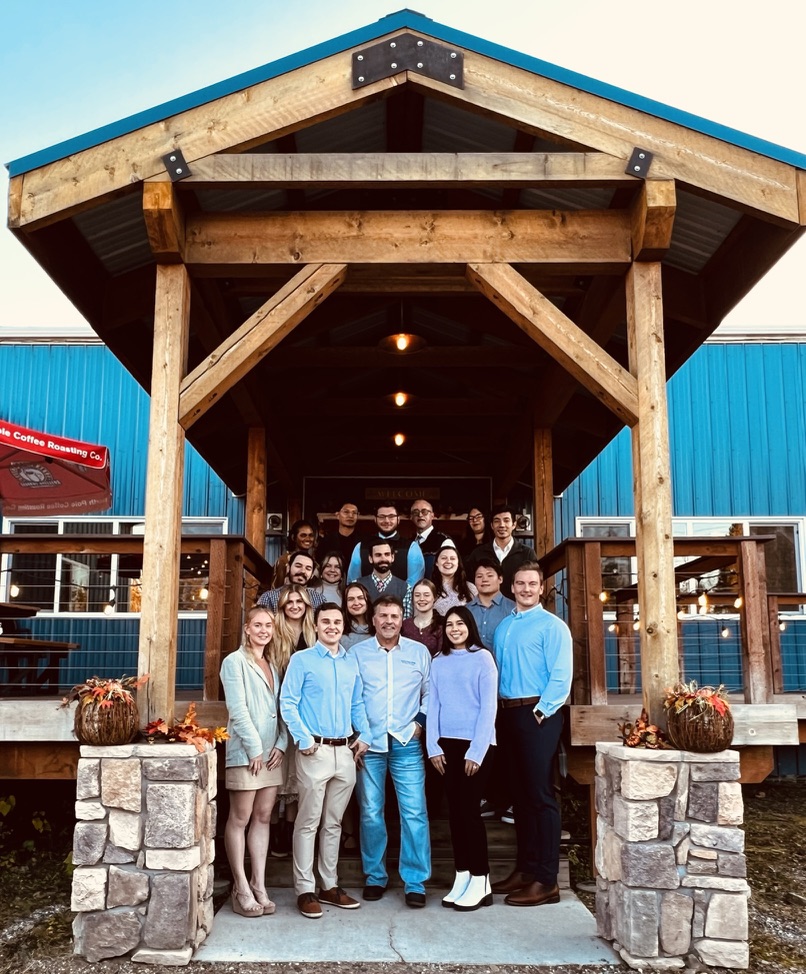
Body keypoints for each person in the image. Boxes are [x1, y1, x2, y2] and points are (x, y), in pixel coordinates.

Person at [279, 602, 371, 919]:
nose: (332, 626)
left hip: (344, 752)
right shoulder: (302, 660)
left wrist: (367, 734)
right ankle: (305, 889)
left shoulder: (350, 663)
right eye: (326, 621)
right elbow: (288, 702)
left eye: (337, 621)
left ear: (343, 626)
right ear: (315, 626)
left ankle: (329, 886)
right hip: (314, 750)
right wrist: (303, 738)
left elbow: (357, 703)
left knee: (333, 823)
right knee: (308, 822)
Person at [491, 563, 572, 907]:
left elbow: (561, 673)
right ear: (511, 587)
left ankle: (546, 878)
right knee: (519, 797)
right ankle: (525, 869)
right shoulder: (505, 627)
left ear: (541, 588)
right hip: (507, 714)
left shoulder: (553, 626)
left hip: (538, 714)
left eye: (532, 584)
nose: (526, 588)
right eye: (520, 583)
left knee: (540, 796)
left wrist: (542, 711)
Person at [349, 595, 432, 908]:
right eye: (382, 616)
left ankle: (415, 881)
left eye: (394, 616)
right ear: (373, 619)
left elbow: (430, 694)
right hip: (368, 744)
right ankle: (375, 876)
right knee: (370, 813)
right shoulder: (357, 654)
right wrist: (360, 734)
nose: (388, 621)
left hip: (406, 743)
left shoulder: (419, 653)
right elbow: (352, 697)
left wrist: (418, 725)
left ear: (402, 619)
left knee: (414, 812)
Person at [427, 606, 498, 911]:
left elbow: (488, 708)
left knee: (469, 813)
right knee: (455, 814)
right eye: (450, 624)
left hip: (475, 746)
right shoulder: (438, 661)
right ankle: (463, 874)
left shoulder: (483, 658)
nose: (455, 629)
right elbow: (433, 704)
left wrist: (477, 750)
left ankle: (481, 880)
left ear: (469, 626)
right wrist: (432, 746)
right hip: (446, 746)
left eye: (460, 623)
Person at [220, 606, 287, 917]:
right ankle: (241, 887)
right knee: (240, 817)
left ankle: (259, 885)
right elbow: (238, 709)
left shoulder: (273, 663)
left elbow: (281, 709)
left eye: (268, 626)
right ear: (246, 628)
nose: (263, 630)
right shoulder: (234, 663)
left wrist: (282, 745)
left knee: (263, 817)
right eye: (257, 625)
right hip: (247, 754)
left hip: (272, 755)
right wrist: (254, 748)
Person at [267, 584, 317, 857]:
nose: (295, 605)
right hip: (280, 709)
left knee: (297, 778)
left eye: (300, 601)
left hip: (307, 712)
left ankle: (291, 829)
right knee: (278, 774)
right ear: (283, 606)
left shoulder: (313, 632)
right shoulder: (276, 633)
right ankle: (274, 829)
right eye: (290, 602)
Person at [465, 504, 536, 599]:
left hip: (518, 609)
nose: (502, 525)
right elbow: (469, 584)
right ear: (491, 525)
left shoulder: (527, 553)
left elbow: (534, 583)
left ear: (514, 524)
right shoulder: (478, 553)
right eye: (497, 521)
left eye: (506, 520)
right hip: (485, 610)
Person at [347, 502, 424, 587]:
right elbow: (353, 582)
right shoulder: (361, 547)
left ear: (398, 519)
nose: (387, 521)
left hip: (401, 599)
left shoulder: (411, 547)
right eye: (382, 517)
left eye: (391, 516)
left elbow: (414, 583)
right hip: (367, 599)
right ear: (375, 519)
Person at [357, 538, 413, 618]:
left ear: (392, 557)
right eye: (378, 555)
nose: (383, 559)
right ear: (370, 559)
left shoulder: (405, 588)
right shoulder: (357, 585)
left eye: (387, 554)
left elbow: (406, 622)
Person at [467, 559, 516, 651]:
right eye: (479, 576)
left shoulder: (513, 609)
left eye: (490, 575)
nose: (484, 580)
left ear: (500, 579)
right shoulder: (466, 610)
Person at [258, 550, 326, 613]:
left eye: (308, 568)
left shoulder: (319, 600)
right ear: (288, 568)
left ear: (312, 575)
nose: (302, 571)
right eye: (298, 566)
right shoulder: (268, 598)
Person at [431, 542, 477, 616]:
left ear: (458, 563)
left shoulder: (470, 588)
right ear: (436, 562)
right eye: (444, 558)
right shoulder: (429, 587)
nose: (448, 561)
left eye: (452, 558)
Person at [401, 578, 443, 656]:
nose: (421, 599)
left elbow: (442, 657)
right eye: (417, 595)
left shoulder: (441, 625)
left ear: (434, 598)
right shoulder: (405, 625)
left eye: (426, 595)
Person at [272, 519, 318, 588]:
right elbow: (276, 587)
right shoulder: (284, 561)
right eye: (303, 535)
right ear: (293, 537)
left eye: (311, 535)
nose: (308, 539)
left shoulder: (315, 563)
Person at [409, 498, 449, 576]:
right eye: (415, 512)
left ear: (432, 516)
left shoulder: (444, 541)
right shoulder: (409, 543)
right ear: (411, 517)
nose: (420, 515)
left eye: (424, 512)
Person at [341, 582, 376, 650]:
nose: (356, 603)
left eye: (360, 598)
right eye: (350, 599)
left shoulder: (378, 629)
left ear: (367, 601)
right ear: (345, 604)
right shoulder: (340, 632)